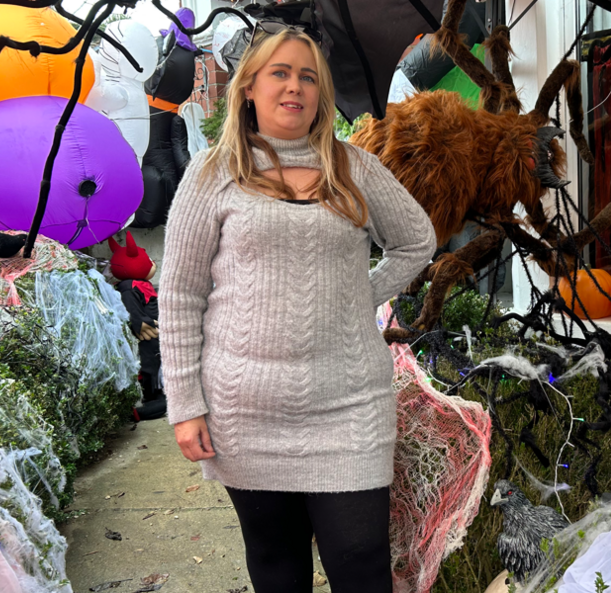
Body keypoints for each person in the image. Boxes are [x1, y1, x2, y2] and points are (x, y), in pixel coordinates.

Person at [159, 21, 436, 593]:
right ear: (248, 89)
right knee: (276, 560)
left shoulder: (354, 168)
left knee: (361, 559)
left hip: (350, 404)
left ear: (321, 94)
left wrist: (358, 294)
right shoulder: (212, 175)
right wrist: (186, 404)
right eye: (279, 73)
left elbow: (416, 241)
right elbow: (181, 295)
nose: (295, 87)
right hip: (245, 409)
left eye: (308, 77)